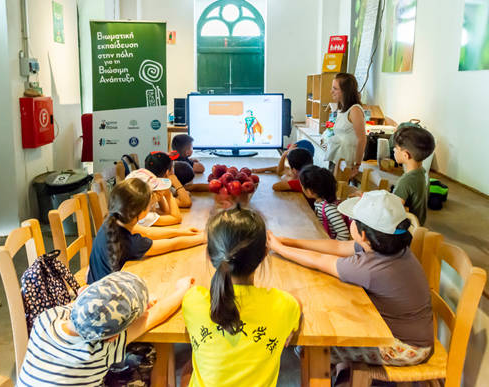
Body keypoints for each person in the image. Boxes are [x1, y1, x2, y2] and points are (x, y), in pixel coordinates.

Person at [267, 190, 433, 367]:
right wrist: (287, 241)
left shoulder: (370, 268)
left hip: (405, 347)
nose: (350, 222)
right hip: (409, 332)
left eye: (353, 220)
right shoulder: (386, 246)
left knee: (309, 348)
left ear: (363, 234)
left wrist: (280, 249)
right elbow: (337, 246)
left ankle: (331, 375)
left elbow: (319, 261)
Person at [182, 206, 301, 387]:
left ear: (210, 255)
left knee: (188, 368)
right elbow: (296, 303)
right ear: (265, 254)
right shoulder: (284, 305)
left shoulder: (193, 300)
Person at [18, 271, 196, 387]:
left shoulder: (45, 319)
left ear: (83, 292)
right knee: (149, 353)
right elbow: (154, 316)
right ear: (112, 337)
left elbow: (82, 307)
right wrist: (183, 289)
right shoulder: (98, 351)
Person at [87, 178, 205, 283]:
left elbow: (148, 232)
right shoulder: (131, 243)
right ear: (142, 211)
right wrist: (203, 238)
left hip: (94, 284)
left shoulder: (113, 219)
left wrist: (182, 232)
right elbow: (173, 245)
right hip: (107, 295)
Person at [325, 73, 367, 177]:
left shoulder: (355, 110)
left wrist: (357, 165)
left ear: (345, 91)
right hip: (337, 160)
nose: (331, 91)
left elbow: (362, 139)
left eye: (335, 88)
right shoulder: (342, 108)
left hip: (346, 164)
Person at [392, 125, 435, 225]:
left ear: (406, 155)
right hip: (418, 224)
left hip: (407, 228)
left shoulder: (405, 181)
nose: (394, 150)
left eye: (396, 148)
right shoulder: (422, 172)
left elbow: (394, 211)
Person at [298, 165, 351, 240]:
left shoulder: (329, 208)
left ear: (310, 191)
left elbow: (344, 233)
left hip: (329, 241)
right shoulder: (319, 202)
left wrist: (333, 246)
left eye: (302, 186)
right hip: (321, 235)